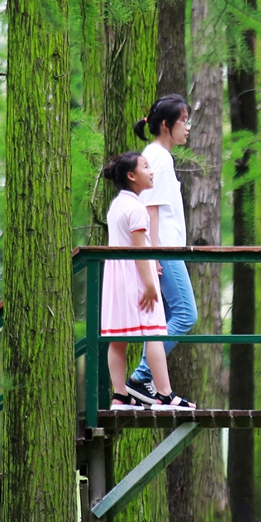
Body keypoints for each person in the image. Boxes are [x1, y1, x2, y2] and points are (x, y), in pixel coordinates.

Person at [100, 152, 194, 411]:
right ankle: (164, 394)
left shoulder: (117, 206)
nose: (151, 171)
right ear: (131, 176)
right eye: (145, 166)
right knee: (155, 332)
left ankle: (120, 395)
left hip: (115, 280)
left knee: (117, 339)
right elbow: (140, 250)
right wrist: (151, 285)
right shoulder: (137, 210)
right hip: (137, 279)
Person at [124, 94, 199, 407]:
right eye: (183, 121)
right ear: (166, 125)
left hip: (163, 248)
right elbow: (151, 210)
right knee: (185, 314)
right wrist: (154, 255)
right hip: (163, 249)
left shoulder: (155, 155)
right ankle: (141, 378)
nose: (188, 128)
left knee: (164, 319)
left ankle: (146, 384)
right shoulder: (160, 158)